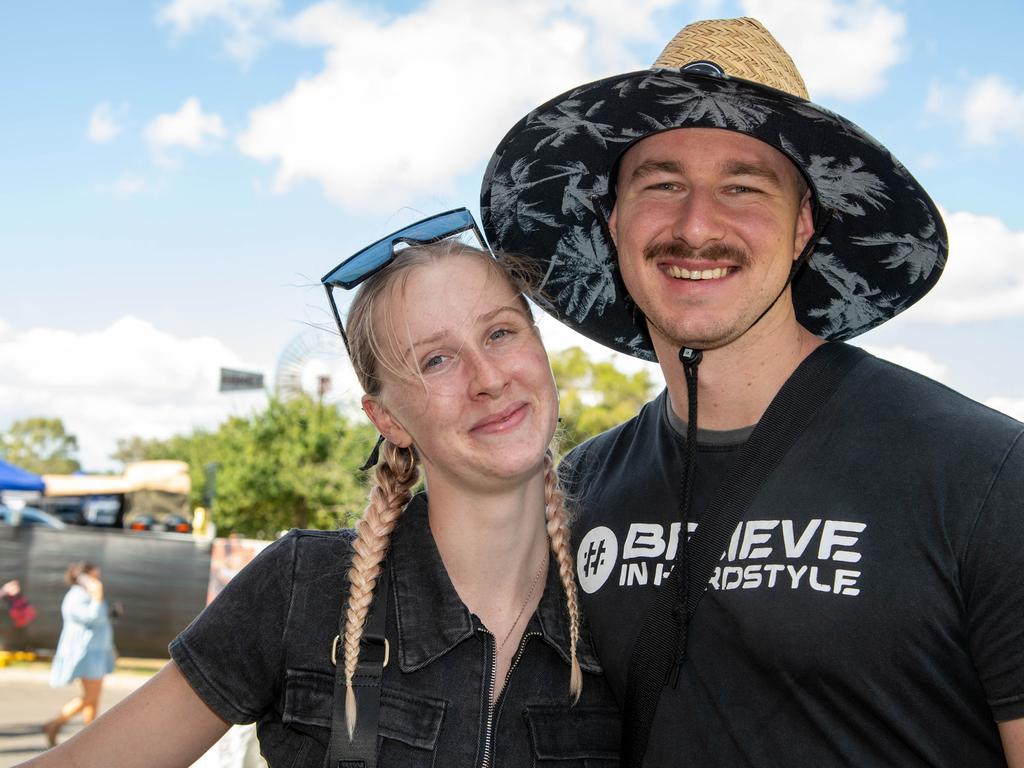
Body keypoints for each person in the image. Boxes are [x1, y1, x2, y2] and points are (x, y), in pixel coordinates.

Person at [482, 16, 1024, 768]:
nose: (696, 225)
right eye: (662, 183)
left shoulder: (985, 476)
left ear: (804, 225)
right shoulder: (571, 498)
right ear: (613, 221)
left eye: (742, 186)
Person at [17, 210, 620, 768]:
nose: (488, 378)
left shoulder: (624, 595)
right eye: (436, 360)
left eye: (501, 333)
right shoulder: (304, 587)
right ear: (387, 419)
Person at [44, 562, 117, 747]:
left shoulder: (88, 595)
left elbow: (100, 620)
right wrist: (98, 595)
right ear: (83, 577)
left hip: (97, 651)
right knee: (90, 697)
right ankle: (54, 724)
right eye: (94, 576)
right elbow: (91, 617)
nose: (97, 580)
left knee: (94, 697)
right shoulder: (75, 597)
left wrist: (111, 613)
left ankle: (90, 740)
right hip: (84, 653)